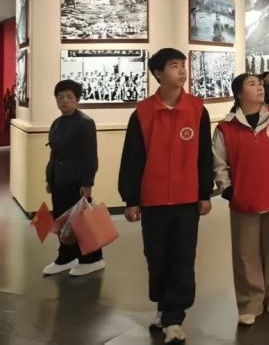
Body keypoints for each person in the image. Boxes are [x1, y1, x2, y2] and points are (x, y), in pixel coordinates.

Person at [118, 48, 214, 345]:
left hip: (187, 199)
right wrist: (131, 199)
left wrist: (205, 193)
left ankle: (174, 319)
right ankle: (163, 306)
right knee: (156, 256)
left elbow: (204, 156)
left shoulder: (197, 109)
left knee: (183, 257)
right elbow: (132, 158)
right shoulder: (143, 112)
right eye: (174, 66)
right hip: (153, 199)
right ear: (159, 73)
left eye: (183, 65)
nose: (182, 71)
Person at [213, 73, 269, 326]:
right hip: (244, 198)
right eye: (252, 84)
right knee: (246, 252)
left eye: (260, 83)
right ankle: (249, 301)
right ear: (240, 94)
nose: (259, 87)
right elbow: (218, 161)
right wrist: (227, 187)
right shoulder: (227, 127)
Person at [42, 79, 105, 277]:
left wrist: (87, 183)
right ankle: (67, 256)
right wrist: (49, 179)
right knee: (62, 222)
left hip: (76, 182)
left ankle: (93, 259)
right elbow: (54, 154)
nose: (65, 101)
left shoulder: (84, 123)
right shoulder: (57, 123)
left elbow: (90, 156)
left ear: (77, 99)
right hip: (59, 181)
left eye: (69, 97)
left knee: (82, 222)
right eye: (60, 97)